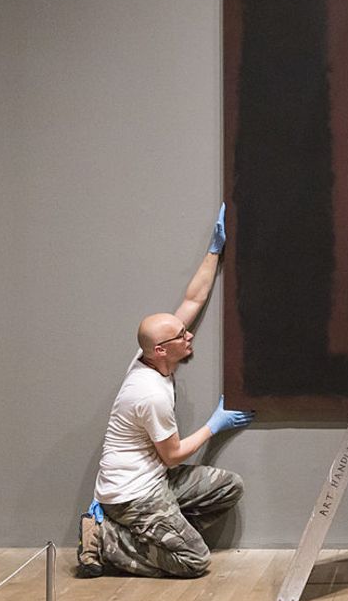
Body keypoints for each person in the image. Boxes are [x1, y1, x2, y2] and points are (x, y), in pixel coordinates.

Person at [76, 203, 255, 579]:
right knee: (194, 562)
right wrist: (214, 424)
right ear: (162, 349)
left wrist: (214, 249)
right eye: (181, 336)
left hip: (151, 480)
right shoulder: (149, 393)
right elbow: (172, 455)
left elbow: (193, 300)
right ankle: (107, 539)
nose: (189, 336)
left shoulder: (151, 354)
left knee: (227, 488)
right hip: (130, 495)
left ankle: (156, 528)